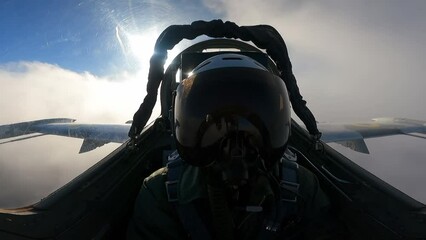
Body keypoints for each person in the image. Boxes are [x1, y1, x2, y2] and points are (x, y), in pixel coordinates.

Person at [127, 54, 343, 239]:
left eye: (249, 122)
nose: (235, 144)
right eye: (219, 124)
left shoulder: (303, 189)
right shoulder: (160, 194)